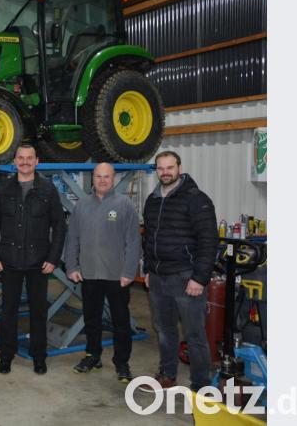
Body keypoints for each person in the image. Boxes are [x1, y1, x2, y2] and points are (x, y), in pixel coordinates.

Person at [139, 151, 218, 392]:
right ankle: (167, 374)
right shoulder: (152, 200)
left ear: (179, 168)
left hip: (186, 277)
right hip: (159, 278)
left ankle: (201, 384)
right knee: (164, 330)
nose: (165, 172)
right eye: (161, 168)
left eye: (170, 167)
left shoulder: (197, 199)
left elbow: (209, 241)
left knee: (194, 334)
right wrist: (149, 269)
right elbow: (149, 238)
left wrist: (199, 278)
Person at [0, 144, 65, 375]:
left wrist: (53, 258)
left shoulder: (48, 189)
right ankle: (6, 355)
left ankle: (39, 356)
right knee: (8, 310)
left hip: (39, 262)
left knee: (38, 312)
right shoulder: (4, 189)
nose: (25, 162)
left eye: (30, 158)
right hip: (9, 260)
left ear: (37, 161)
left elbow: (59, 226)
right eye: (21, 158)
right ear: (15, 161)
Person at [64, 163, 141, 383]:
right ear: (93, 178)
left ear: (114, 178)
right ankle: (92, 356)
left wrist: (129, 271)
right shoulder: (82, 206)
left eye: (107, 176)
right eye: (98, 176)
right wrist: (71, 266)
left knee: (121, 322)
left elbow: (134, 242)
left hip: (117, 276)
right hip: (89, 275)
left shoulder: (124, 204)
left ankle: (122, 363)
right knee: (91, 319)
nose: (102, 180)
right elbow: (73, 239)